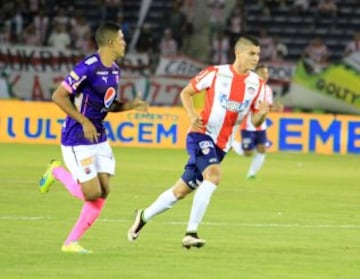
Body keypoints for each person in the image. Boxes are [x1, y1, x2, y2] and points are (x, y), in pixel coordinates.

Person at [127, 34, 270, 249]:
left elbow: (254, 118)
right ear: (238, 53)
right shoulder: (215, 73)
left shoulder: (257, 84)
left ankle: (143, 216)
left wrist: (262, 115)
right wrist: (192, 115)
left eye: (258, 54)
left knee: (180, 192)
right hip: (200, 135)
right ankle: (191, 232)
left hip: (222, 145)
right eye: (252, 53)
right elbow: (186, 92)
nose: (256, 58)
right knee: (213, 175)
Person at [38, 22, 148, 254]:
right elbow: (58, 96)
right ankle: (56, 171)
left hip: (99, 136)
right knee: (91, 193)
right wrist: (84, 121)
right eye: (121, 39)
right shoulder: (87, 67)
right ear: (110, 43)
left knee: (104, 190)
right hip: (77, 136)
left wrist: (130, 106)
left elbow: (108, 105)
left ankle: (71, 243)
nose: (124, 43)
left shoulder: (115, 70)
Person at [232, 64, 284, 179]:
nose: (265, 75)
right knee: (248, 153)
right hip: (248, 125)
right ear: (256, 74)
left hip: (261, 126)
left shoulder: (268, 89)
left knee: (262, 149)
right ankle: (233, 143)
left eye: (266, 73)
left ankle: (251, 173)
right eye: (263, 73)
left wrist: (275, 108)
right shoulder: (250, 87)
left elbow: (268, 106)